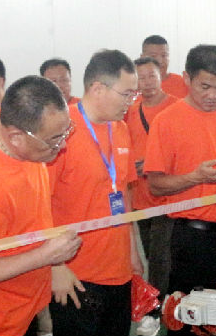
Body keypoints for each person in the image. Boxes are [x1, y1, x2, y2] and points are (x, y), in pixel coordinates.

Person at [0, 76, 82, 336]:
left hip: (25, 301)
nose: (63, 145)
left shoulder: (5, 121)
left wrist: (54, 265)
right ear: (16, 137)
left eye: (66, 132)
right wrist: (46, 256)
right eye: (54, 139)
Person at [145, 44, 216, 336]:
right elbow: (155, 184)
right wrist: (196, 177)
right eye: (205, 86)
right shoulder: (166, 121)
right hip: (191, 240)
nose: (213, 95)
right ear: (187, 78)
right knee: (190, 319)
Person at [46, 50, 143, 336]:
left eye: (134, 94)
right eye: (126, 94)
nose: (131, 102)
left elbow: (123, 193)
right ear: (98, 88)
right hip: (76, 276)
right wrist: (55, 266)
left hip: (119, 271)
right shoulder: (60, 131)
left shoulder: (121, 129)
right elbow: (38, 205)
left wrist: (133, 253)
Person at [125, 56, 179, 298]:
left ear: (161, 76)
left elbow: (184, 152)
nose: (147, 82)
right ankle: (163, 300)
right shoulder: (130, 110)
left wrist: (152, 164)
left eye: (151, 76)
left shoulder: (177, 108)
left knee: (160, 258)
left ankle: (158, 304)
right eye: (141, 78)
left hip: (167, 197)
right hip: (140, 197)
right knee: (151, 255)